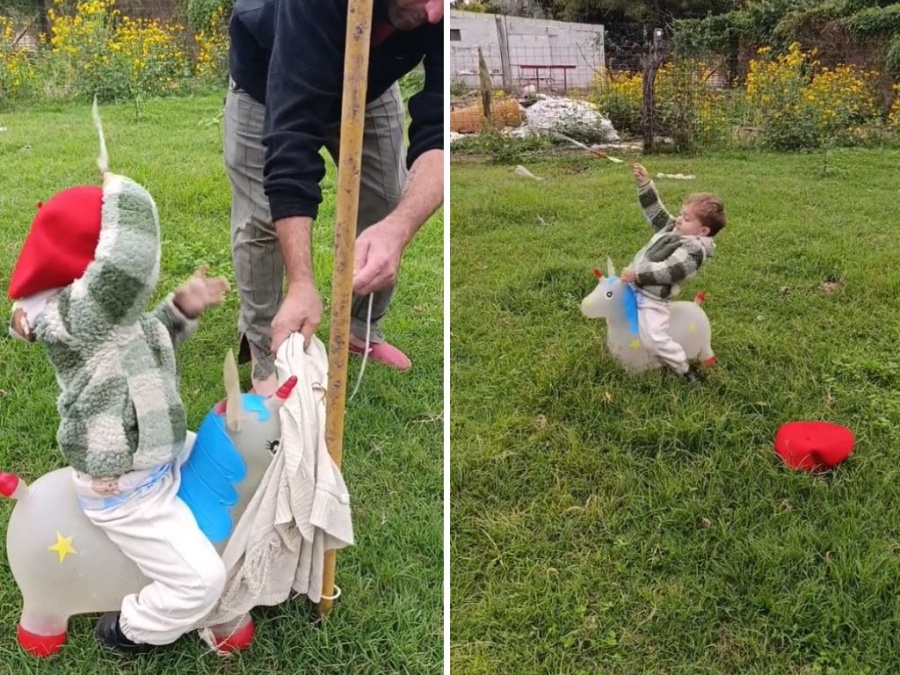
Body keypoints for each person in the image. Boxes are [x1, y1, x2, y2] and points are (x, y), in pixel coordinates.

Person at [7, 170, 231, 654]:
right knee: (202, 579)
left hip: (158, 452)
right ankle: (134, 627)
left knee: (228, 451)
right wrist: (122, 193)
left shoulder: (117, 324)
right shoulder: (75, 322)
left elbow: (150, 339)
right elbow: (127, 261)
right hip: (126, 487)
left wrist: (181, 309)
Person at [225, 0, 444, 396]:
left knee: (386, 199)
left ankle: (359, 331)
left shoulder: (442, 11)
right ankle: (267, 352)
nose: (435, 14)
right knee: (260, 220)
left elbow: (440, 131)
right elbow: (291, 141)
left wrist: (399, 227)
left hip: (370, 84)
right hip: (268, 78)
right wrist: (302, 281)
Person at [620, 163, 725, 383]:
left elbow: (668, 271)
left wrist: (637, 275)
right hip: (633, 284)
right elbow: (656, 213)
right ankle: (626, 350)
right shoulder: (675, 229)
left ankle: (683, 368)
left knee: (653, 338)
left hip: (652, 298)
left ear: (703, 231)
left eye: (686, 218)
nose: (678, 219)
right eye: (680, 214)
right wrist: (645, 184)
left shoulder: (694, 251)